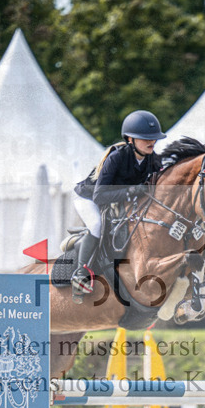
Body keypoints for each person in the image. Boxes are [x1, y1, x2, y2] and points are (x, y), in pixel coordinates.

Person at [70, 110, 166, 296]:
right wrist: (131, 191)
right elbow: (99, 196)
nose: (151, 142)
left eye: (153, 138)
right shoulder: (117, 157)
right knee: (97, 225)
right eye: (145, 138)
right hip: (88, 198)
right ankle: (80, 274)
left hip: (114, 200)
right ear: (130, 140)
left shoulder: (152, 160)